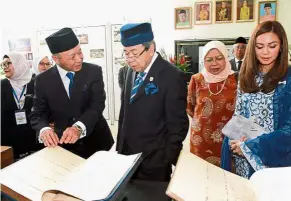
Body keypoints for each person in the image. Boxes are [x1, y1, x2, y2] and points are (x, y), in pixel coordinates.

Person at [117, 22, 189, 181]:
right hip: (126, 158)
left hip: (154, 163)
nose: (129, 59)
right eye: (126, 53)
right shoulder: (128, 71)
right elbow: (125, 112)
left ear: (150, 49)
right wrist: (120, 148)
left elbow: (178, 125)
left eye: (134, 52)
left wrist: (164, 159)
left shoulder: (171, 76)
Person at [30, 27, 114, 159]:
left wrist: (79, 127)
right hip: (63, 146)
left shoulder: (93, 71)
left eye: (79, 52)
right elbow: (38, 114)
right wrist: (44, 129)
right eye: (72, 56)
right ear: (56, 59)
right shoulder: (42, 80)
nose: (79, 59)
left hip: (96, 142)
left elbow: (97, 105)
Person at [221, 21, 291, 178]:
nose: (265, 52)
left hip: (272, 159)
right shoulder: (247, 75)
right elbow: (239, 114)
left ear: (281, 46)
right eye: (259, 47)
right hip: (243, 156)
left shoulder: (289, 78)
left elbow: (289, 129)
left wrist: (252, 146)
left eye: (272, 46)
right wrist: (239, 138)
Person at [187, 41, 237, 167]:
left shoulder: (236, 79)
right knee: (201, 176)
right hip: (200, 140)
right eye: (209, 60)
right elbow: (190, 106)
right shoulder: (196, 79)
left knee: (227, 178)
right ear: (204, 61)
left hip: (228, 139)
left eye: (219, 58)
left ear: (226, 58)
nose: (214, 63)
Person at [1, 53, 40, 159]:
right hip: (9, 140)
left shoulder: (35, 84)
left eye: (8, 63)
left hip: (33, 137)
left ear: (20, 65)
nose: (5, 67)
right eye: (3, 64)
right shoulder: (2, 85)